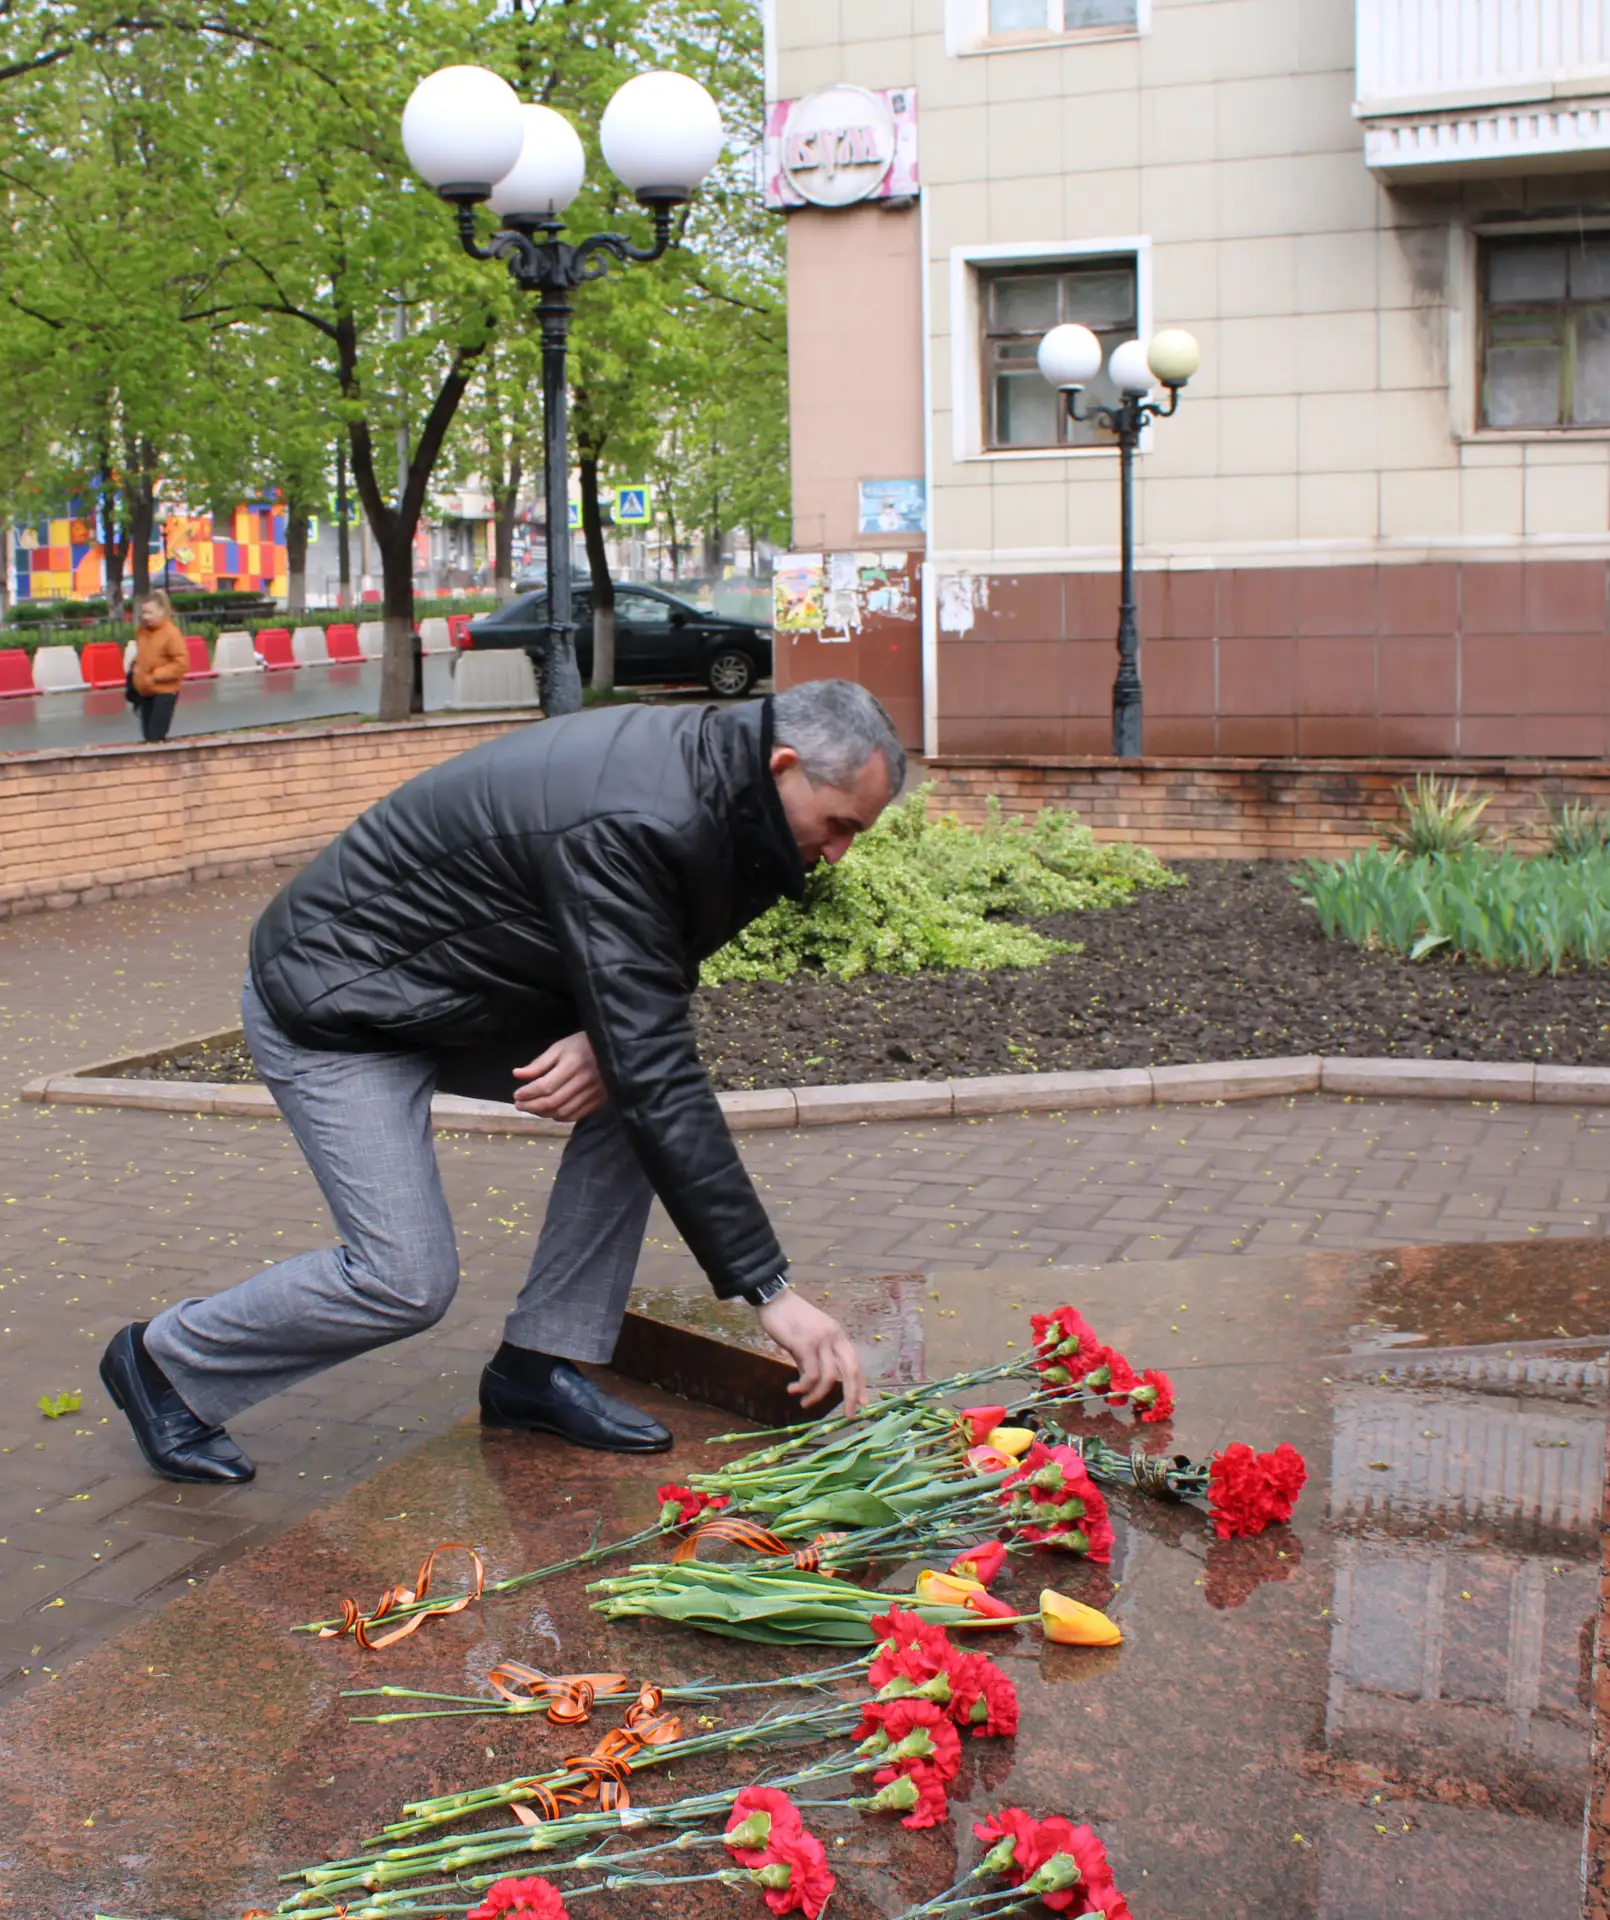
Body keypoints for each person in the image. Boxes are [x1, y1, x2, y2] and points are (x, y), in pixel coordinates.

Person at [100, 678, 906, 1484]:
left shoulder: (736, 802)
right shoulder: (644, 808)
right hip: (336, 1002)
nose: (841, 851)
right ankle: (165, 1363)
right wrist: (770, 1291)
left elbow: (661, 949)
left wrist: (604, 1034)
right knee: (404, 1280)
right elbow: (659, 1064)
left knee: (629, 1098)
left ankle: (538, 1365)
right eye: (840, 824)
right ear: (782, 765)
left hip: (448, 992)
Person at [127, 589, 188, 743]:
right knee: (148, 736)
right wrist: (135, 671)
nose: (145, 617)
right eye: (143, 613)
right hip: (146, 691)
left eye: (150, 613)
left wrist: (156, 675)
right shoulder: (142, 632)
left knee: (155, 736)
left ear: (161, 611)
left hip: (165, 691)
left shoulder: (171, 634)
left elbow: (181, 664)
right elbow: (145, 655)